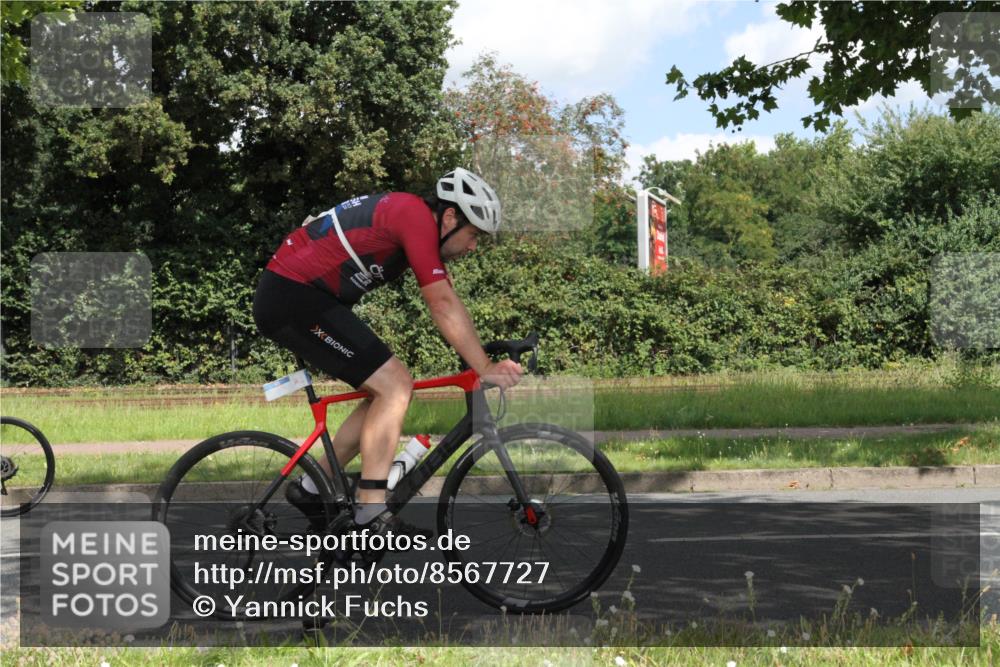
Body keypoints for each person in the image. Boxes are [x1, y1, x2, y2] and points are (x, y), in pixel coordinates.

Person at [252, 168, 523, 537]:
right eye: (473, 234)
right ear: (449, 217)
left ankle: (313, 488)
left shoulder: (417, 226)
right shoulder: (413, 216)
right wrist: (485, 366)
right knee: (395, 384)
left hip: (304, 297)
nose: (473, 246)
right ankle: (371, 510)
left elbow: (449, 303)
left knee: (386, 389)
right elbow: (441, 305)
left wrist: (480, 353)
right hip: (293, 297)